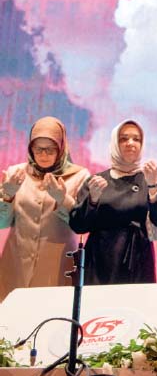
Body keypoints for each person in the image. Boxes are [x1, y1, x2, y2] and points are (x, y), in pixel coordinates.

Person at [69, 120, 157, 284]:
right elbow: (77, 225)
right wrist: (93, 200)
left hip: (137, 259)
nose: (131, 143)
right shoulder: (96, 181)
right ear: (114, 144)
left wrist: (153, 187)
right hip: (99, 260)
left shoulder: (152, 179)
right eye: (124, 139)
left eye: (136, 139)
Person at [0, 117, 89, 301]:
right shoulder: (15, 174)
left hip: (58, 263)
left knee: (52, 318)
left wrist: (62, 199)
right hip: (17, 261)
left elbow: (81, 225)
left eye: (51, 148)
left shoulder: (79, 176)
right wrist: (7, 196)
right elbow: (2, 223)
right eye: (38, 148)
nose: (43, 154)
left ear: (62, 147)